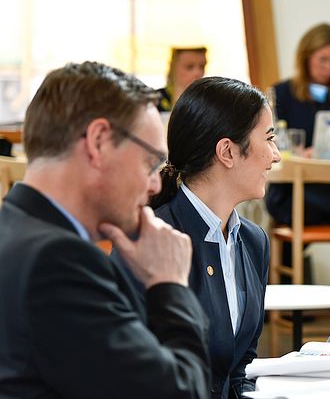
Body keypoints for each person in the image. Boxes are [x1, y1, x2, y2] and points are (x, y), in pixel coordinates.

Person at [0, 61, 210, 398]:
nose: (156, 183)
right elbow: (179, 392)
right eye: (151, 162)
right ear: (98, 141)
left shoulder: (13, 229)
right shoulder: (57, 261)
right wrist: (169, 284)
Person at [112, 77, 280, 399]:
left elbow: (239, 368)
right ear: (227, 152)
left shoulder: (254, 241)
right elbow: (132, 373)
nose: (276, 155)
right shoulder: (152, 242)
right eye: (269, 139)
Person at [265, 22, 330, 287]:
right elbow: (273, 142)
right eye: (323, 60)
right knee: (304, 210)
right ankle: (286, 291)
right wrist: (298, 153)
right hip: (295, 190)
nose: (329, 67)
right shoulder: (282, 94)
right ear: (306, 58)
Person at [157, 46, 207, 112]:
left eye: (202, 66)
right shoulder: (155, 100)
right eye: (189, 67)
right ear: (173, 67)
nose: (198, 73)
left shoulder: (208, 100)